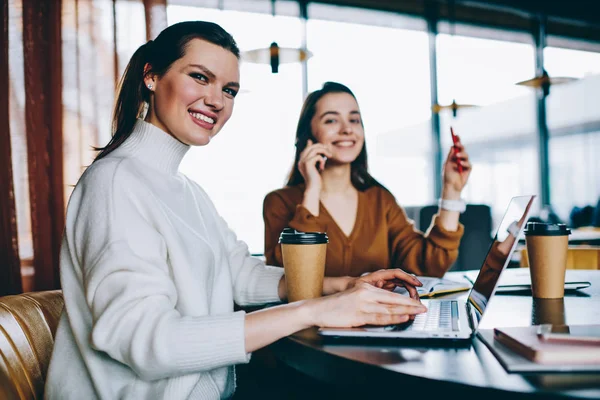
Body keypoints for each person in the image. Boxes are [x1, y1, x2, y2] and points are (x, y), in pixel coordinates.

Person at [44, 22, 427, 400]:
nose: (216, 100)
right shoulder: (115, 182)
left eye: (229, 90)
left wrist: (343, 286)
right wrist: (314, 310)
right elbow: (147, 341)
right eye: (200, 77)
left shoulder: (186, 190)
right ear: (152, 77)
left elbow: (240, 275)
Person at [263, 82, 472, 278]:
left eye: (354, 120)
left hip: (380, 318)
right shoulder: (279, 203)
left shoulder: (380, 200)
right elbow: (292, 278)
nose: (347, 129)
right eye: (331, 120)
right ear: (308, 134)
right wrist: (312, 191)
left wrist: (451, 191)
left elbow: (429, 264)